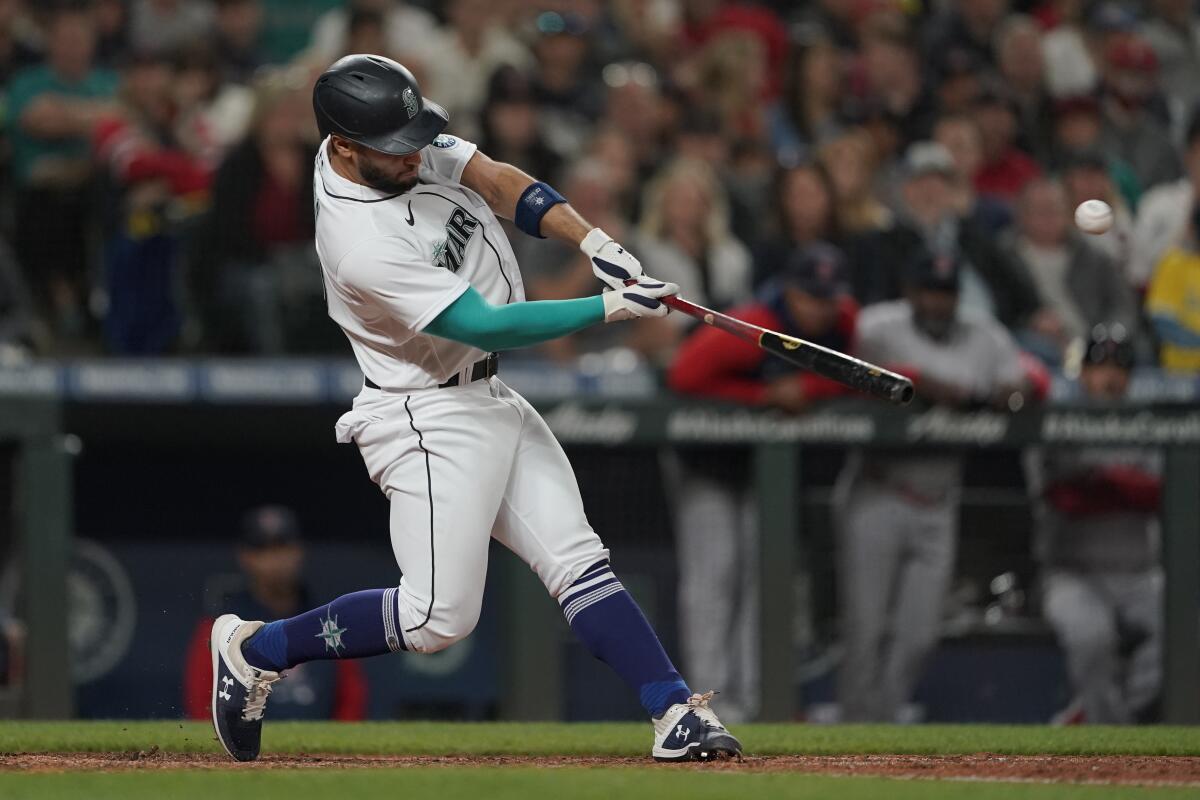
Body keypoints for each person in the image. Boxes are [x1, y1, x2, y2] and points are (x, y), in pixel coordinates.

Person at [208, 54, 740, 764]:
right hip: (425, 418)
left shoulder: (379, 143)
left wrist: (595, 242)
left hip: (486, 396)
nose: (414, 154)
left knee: (579, 562)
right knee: (436, 619)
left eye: (414, 136)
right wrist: (608, 305)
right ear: (342, 148)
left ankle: (674, 712)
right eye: (395, 147)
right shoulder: (359, 243)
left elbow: (493, 179)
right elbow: (487, 324)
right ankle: (256, 648)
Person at [834, 252, 1040, 722]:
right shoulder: (879, 325)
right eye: (929, 291)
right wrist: (927, 384)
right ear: (911, 291)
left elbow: (1022, 384)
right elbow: (855, 374)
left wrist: (997, 397)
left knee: (920, 633)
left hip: (938, 499)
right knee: (866, 628)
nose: (937, 302)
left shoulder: (982, 334)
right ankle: (855, 727)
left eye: (946, 293)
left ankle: (880, 725)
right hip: (878, 488)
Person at [666, 242, 858, 722]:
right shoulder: (751, 324)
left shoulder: (844, 320)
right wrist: (761, 395)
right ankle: (707, 702)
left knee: (765, 579)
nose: (821, 308)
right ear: (790, 291)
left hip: (766, 472)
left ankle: (755, 697)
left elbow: (854, 374)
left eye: (828, 297)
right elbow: (682, 374)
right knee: (715, 577)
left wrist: (805, 389)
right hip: (709, 462)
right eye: (812, 296)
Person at [1027, 324, 1162, 723]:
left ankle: (1101, 716)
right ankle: (1110, 734)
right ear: (1083, 373)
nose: (1110, 376)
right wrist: (1122, 485)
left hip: (1140, 574)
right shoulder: (1057, 422)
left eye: (1119, 367)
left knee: (1187, 626)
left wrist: (1099, 481)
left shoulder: (1148, 424)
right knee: (1091, 637)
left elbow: (1159, 494)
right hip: (1072, 575)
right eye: (1100, 366)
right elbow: (1064, 497)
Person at [183, 506, 367, 721]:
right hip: (247, 747)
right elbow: (201, 704)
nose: (274, 560)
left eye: (282, 547)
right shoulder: (224, 625)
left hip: (319, 749)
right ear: (245, 557)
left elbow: (352, 701)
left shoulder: (328, 619)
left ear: (299, 551)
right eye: (263, 549)